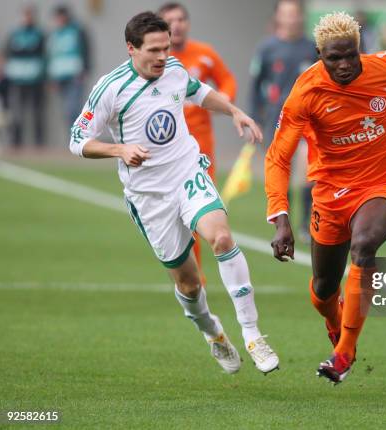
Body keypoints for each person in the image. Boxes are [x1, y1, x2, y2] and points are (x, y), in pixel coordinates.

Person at [69, 12, 279, 374]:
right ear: (131, 48)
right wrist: (119, 150)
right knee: (189, 282)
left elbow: (198, 92)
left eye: (166, 48)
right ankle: (212, 331)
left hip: (187, 172)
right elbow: (76, 139)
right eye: (153, 50)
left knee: (222, 238)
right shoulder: (111, 88)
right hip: (150, 197)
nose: (162, 56)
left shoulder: (175, 69)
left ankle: (252, 333)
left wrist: (233, 111)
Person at [265, 12, 386, 384]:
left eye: (349, 56)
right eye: (333, 58)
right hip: (329, 193)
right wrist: (281, 218)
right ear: (319, 55)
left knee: (365, 245)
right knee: (324, 288)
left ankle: (344, 353)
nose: (343, 65)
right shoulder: (305, 92)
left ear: (360, 49)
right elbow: (278, 156)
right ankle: (335, 323)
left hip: (382, 186)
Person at [158, 2, 238, 279]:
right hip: (163, 152)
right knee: (173, 218)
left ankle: (199, 277)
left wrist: (222, 100)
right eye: (170, 20)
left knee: (201, 211)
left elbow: (227, 80)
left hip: (201, 149)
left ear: (187, 24)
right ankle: (190, 274)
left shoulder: (204, 54)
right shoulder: (156, 61)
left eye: (181, 19)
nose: (176, 24)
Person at [249, 0, 318, 242]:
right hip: (278, 119)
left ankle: (306, 222)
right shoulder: (267, 49)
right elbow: (255, 85)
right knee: (282, 172)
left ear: (300, 17)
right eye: (286, 14)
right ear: (278, 17)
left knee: (308, 170)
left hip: (309, 120)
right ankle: (283, 221)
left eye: (294, 14)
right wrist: (255, 118)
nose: (291, 19)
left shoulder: (312, 48)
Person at [4, 5, 45, 148]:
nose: (27, 19)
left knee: (36, 112)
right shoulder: (14, 34)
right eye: (25, 15)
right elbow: (6, 53)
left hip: (35, 79)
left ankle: (39, 143)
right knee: (17, 112)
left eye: (29, 16)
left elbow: (45, 55)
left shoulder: (39, 34)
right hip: (17, 79)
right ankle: (16, 142)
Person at [47, 5, 90, 128]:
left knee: (74, 109)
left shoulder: (77, 30)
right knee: (66, 111)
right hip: (59, 76)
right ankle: (72, 138)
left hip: (75, 75)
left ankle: (79, 135)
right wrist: (51, 77)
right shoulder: (54, 34)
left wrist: (85, 70)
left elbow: (86, 50)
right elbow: (51, 55)